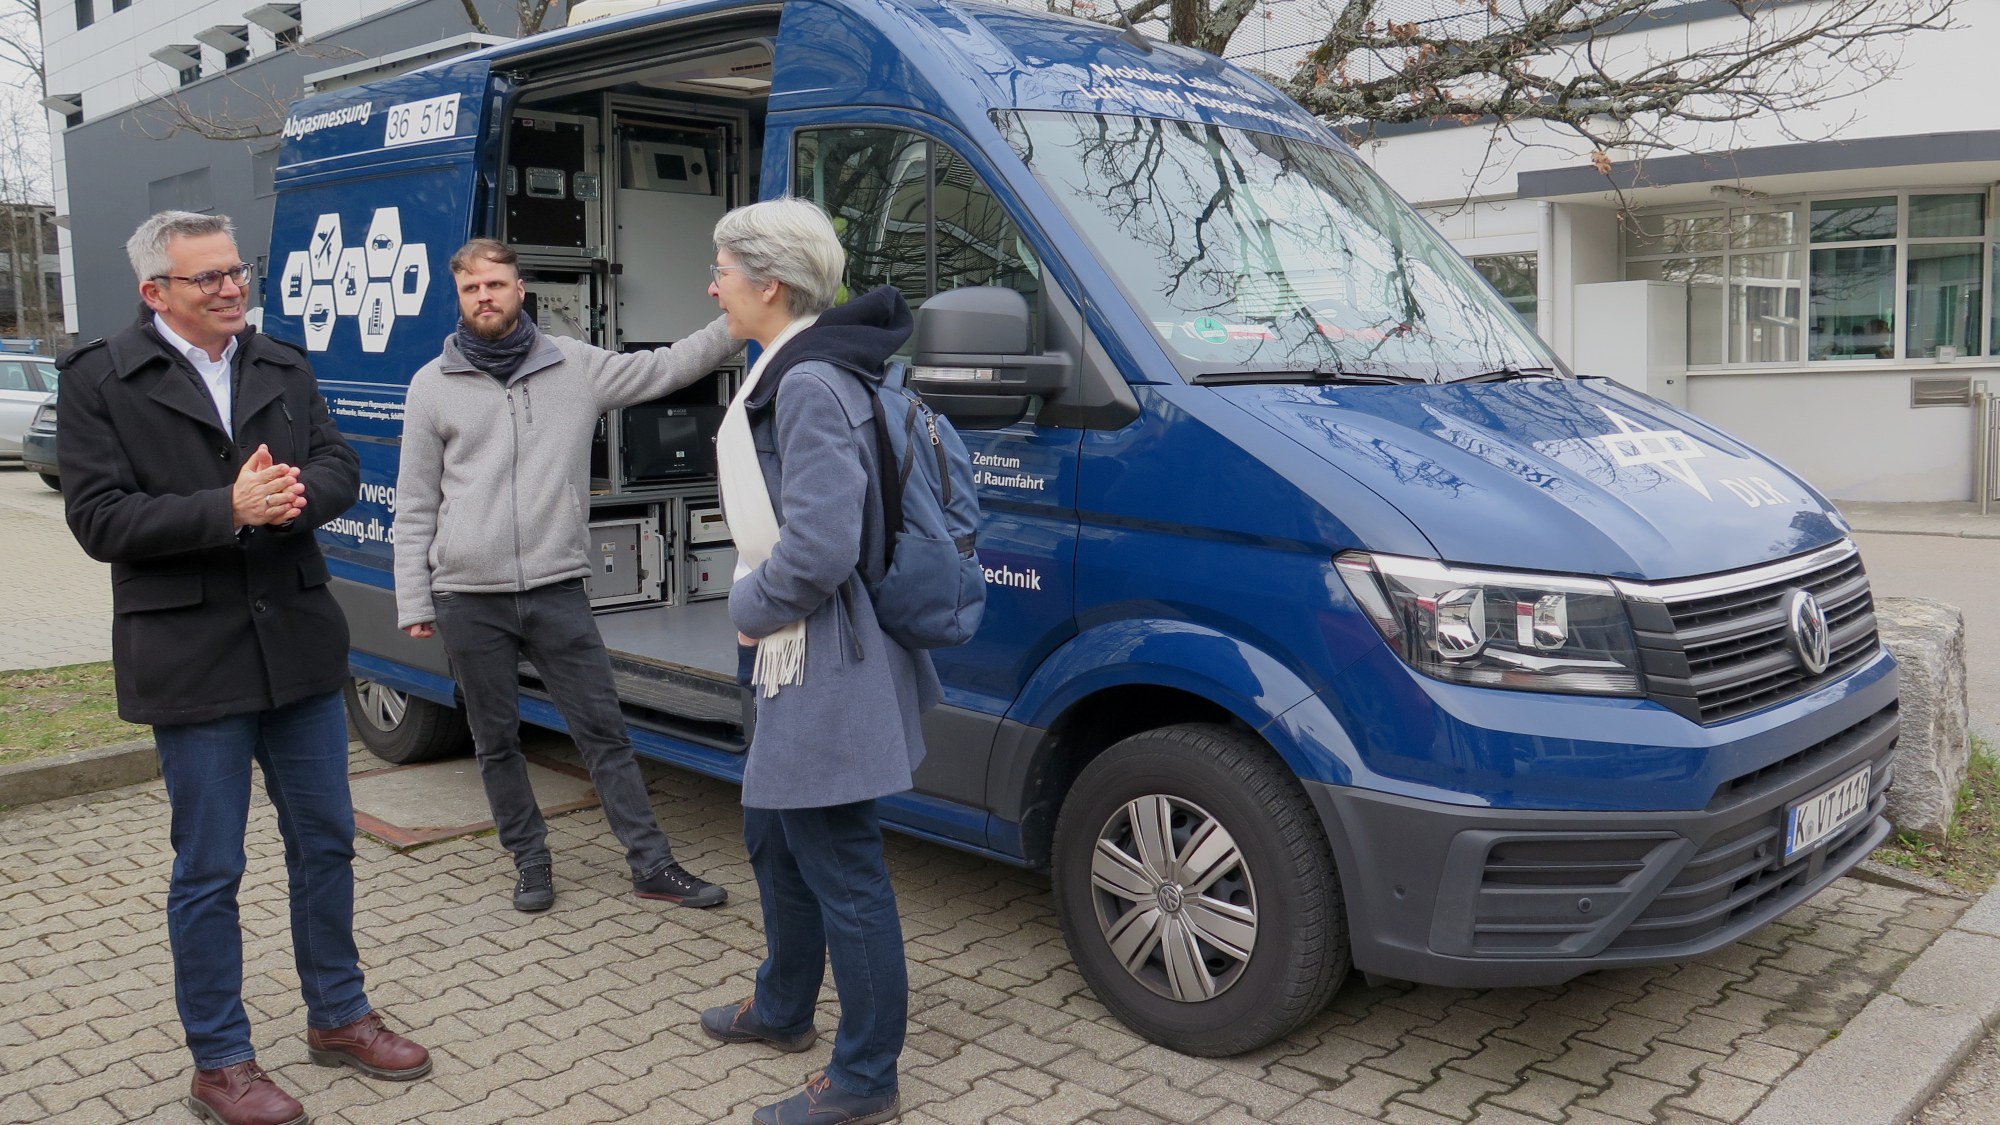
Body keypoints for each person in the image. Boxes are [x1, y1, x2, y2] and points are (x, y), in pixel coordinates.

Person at [59, 210, 430, 1125]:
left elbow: (341, 461)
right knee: (209, 868)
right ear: (155, 292)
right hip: (194, 659)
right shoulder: (101, 380)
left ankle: (338, 1013)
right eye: (208, 278)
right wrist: (225, 506)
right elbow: (98, 519)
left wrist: (296, 496)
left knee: (326, 843)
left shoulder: (280, 360)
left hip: (298, 650)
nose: (233, 288)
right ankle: (219, 1060)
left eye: (237, 271)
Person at [394, 238, 741, 913]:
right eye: (471, 289)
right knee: (495, 742)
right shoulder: (430, 386)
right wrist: (416, 595)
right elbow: (414, 502)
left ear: (521, 289)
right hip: (468, 597)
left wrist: (739, 316)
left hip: (556, 588)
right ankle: (530, 861)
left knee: (603, 733)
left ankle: (651, 862)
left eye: (495, 284)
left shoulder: (573, 366)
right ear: (459, 298)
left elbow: (667, 368)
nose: (484, 297)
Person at [695, 198, 936, 1125]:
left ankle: (867, 1075)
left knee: (842, 861)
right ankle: (785, 1004)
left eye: (722, 269)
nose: (710, 284)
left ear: (771, 284)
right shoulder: (802, 366)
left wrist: (747, 608)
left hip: (816, 653)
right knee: (772, 834)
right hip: (795, 651)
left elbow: (822, 545)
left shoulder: (805, 383)